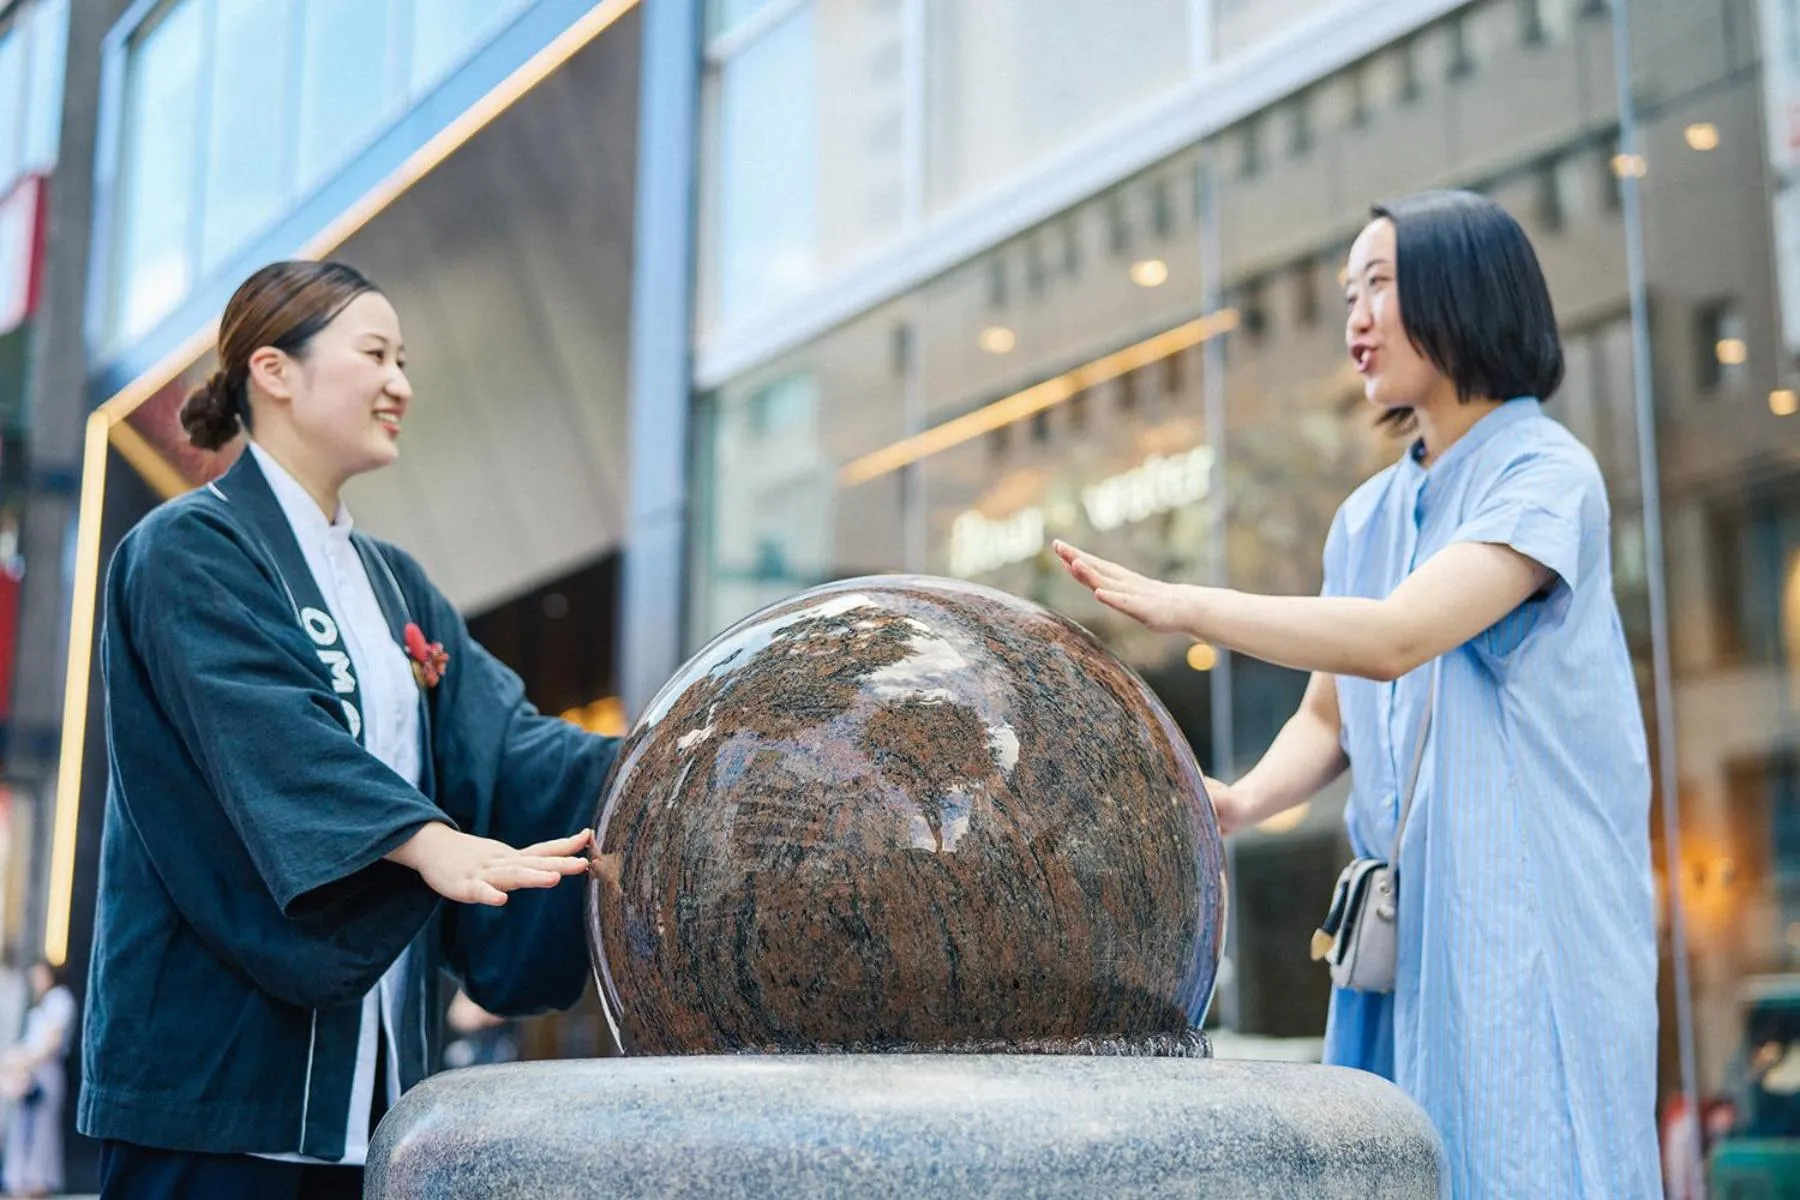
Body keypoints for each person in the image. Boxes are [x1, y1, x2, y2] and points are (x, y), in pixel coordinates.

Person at [1056, 190, 1660, 1197]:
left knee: (1532, 1154)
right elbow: (1329, 713)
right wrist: (1244, 799)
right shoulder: (1370, 513)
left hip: (1530, 915)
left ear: (1464, 289)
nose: (1358, 318)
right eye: (1349, 294)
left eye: (1380, 284)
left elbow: (1396, 638)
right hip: (1406, 927)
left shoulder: (1547, 473)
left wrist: (1182, 603)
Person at [83, 261, 620, 1199]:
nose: (401, 383)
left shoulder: (394, 583)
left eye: (404, 360)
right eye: (375, 353)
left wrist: (657, 761)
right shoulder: (186, 550)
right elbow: (268, 737)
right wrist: (425, 840)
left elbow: (504, 742)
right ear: (274, 372)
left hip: (374, 1094)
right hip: (215, 1083)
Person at [1, 961, 76, 1198]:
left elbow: (50, 1042)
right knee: (25, 1129)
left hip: (45, 1072)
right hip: (31, 1071)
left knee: (42, 1131)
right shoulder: (41, 1003)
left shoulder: (60, 999)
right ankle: (23, 1181)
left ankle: (37, 1183)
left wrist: (25, 1061)